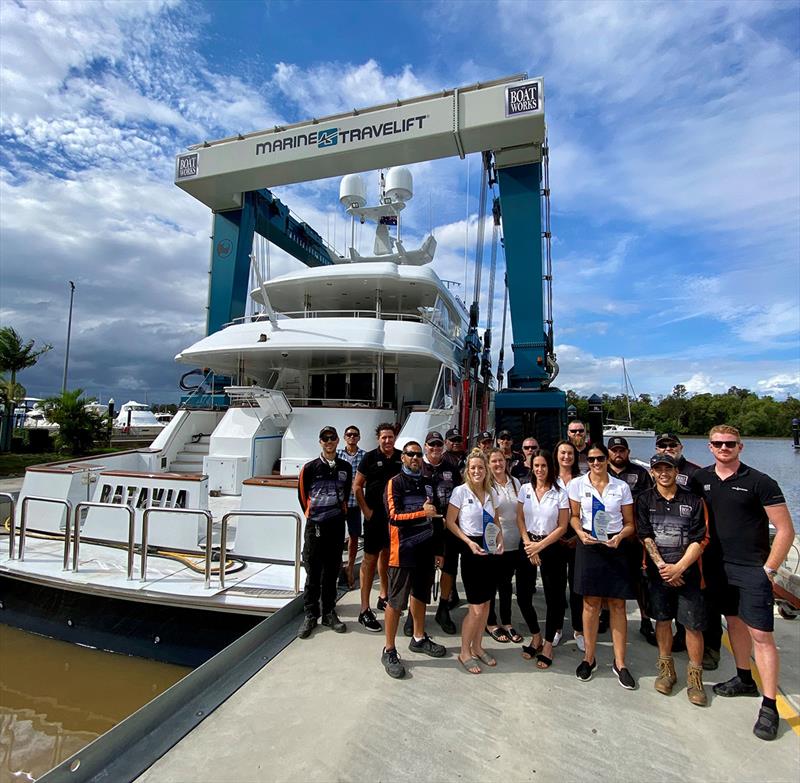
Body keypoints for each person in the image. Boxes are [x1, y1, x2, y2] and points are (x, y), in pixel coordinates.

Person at [691, 425, 794, 741]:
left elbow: (785, 529)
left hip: (751, 567)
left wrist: (769, 570)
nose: (724, 448)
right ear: (709, 447)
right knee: (733, 622)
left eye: (730, 444)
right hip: (717, 567)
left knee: (761, 633)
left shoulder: (760, 482)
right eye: (718, 444)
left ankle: (770, 704)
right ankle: (744, 678)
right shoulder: (701, 480)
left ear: (740, 447)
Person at [637, 453, 709, 706]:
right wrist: (663, 567)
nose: (663, 473)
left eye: (668, 468)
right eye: (658, 469)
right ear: (653, 472)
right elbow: (645, 534)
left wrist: (679, 568)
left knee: (692, 626)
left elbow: (700, 538)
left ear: (676, 471)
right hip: (658, 573)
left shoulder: (693, 500)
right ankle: (666, 669)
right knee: (663, 620)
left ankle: (695, 676)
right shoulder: (645, 500)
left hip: (688, 572)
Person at [568, 443, 637, 689]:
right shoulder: (577, 484)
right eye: (591, 459)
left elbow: (630, 522)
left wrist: (620, 537)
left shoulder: (621, 487)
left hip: (615, 545)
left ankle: (620, 662)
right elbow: (574, 516)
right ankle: (589, 657)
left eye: (600, 459)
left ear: (607, 459)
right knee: (590, 603)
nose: (596, 463)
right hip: (589, 544)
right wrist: (578, 533)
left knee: (618, 604)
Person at [380, 441, 446, 678]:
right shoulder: (394, 483)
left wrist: (439, 550)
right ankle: (389, 649)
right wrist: (421, 513)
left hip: (426, 551)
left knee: (420, 596)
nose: (415, 458)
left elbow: (436, 517)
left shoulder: (428, 482)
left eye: (419, 454)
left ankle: (418, 637)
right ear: (403, 458)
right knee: (396, 602)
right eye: (411, 454)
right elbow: (394, 516)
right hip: (403, 551)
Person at [655, 432, 715, 664]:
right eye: (662, 445)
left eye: (672, 445)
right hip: (663, 550)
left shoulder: (696, 473)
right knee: (666, 611)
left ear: (680, 447)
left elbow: (704, 511)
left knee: (699, 610)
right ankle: (676, 642)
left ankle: (709, 649)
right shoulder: (655, 474)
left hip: (692, 548)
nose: (667, 448)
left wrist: (681, 565)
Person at [446, 450, 503, 674]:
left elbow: (496, 520)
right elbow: (451, 522)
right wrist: (468, 543)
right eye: (473, 468)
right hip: (472, 551)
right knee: (476, 608)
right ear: (467, 471)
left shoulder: (491, 492)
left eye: (481, 467)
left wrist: (500, 541)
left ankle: (478, 647)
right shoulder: (460, 492)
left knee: (487, 604)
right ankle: (464, 651)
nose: (477, 471)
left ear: (486, 470)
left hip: (490, 550)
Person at [297, 426, 352, 638]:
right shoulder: (310, 468)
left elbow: (345, 494)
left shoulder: (345, 467)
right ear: (320, 442)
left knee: (332, 570)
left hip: (336, 525)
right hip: (316, 527)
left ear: (338, 441)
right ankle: (311, 614)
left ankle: (329, 612)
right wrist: (315, 514)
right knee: (312, 572)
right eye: (324, 438)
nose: (329, 441)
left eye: (332, 438)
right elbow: (302, 496)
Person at [516, 449, 569, 669]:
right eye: (536, 466)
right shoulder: (525, 489)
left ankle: (548, 644)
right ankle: (536, 635)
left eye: (544, 466)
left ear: (550, 467)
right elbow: (519, 517)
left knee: (554, 598)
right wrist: (530, 545)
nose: (539, 470)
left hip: (551, 546)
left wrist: (541, 546)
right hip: (528, 544)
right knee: (522, 595)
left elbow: (563, 526)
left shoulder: (560, 492)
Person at [607, 435, 657, 646]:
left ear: (627, 452)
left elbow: (648, 502)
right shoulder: (601, 472)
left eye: (622, 450)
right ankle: (604, 615)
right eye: (614, 450)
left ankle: (646, 620)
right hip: (609, 535)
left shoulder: (640, 473)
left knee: (640, 580)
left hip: (634, 535)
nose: (618, 454)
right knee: (607, 576)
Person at [353, 422, 401, 633]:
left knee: (388, 555)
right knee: (369, 560)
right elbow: (357, 486)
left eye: (390, 437)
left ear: (395, 437)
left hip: (395, 518)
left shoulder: (401, 457)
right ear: (378, 439)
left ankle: (384, 595)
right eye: (384, 437)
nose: (387, 441)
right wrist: (366, 511)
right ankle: (364, 609)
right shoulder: (369, 458)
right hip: (374, 517)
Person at [422, 430, 461, 635]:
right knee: (423, 570)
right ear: (425, 446)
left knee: (449, 569)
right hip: (424, 528)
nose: (436, 448)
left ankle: (443, 607)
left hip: (448, 527)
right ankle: (416, 610)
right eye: (432, 445)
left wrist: (452, 517)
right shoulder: (418, 468)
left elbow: (459, 495)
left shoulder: (452, 469)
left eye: (438, 445)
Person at [485, 449, 523, 645]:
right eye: (494, 461)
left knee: (506, 585)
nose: (498, 464)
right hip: (494, 543)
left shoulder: (516, 483)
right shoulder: (486, 486)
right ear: (489, 464)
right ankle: (491, 622)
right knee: (491, 584)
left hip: (513, 542)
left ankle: (507, 622)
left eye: (501, 460)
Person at [554, 439, 584, 651]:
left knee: (577, 588)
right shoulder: (549, 479)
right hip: (554, 540)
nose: (566, 457)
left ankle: (579, 629)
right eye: (562, 453)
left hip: (576, 540)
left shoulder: (582, 481)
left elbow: (586, 512)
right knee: (555, 588)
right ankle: (555, 628)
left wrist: (578, 536)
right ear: (556, 455)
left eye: (570, 453)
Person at [337, 425, 365, 588]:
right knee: (337, 537)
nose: (352, 437)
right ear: (345, 437)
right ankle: (340, 567)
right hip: (339, 504)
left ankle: (349, 568)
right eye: (349, 435)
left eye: (355, 435)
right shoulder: (338, 455)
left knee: (354, 536)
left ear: (359, 438)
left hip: (355, 503)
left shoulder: (364, 456)